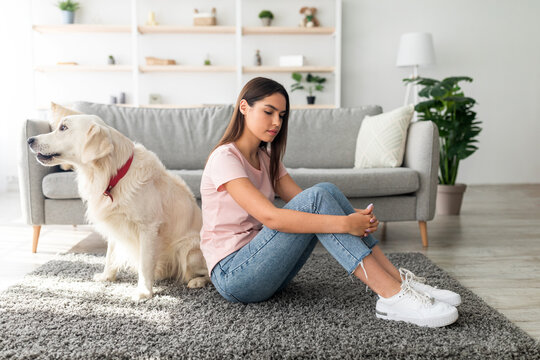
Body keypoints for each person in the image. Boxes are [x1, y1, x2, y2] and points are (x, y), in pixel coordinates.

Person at [200, 77, 461, 328]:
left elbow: (306, 201)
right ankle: (391, 296)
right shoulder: (226, 157)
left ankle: (399, 283)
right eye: (269, 112)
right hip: (234, 275)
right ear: (244, 107)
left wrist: (350, 217)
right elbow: (272, 217)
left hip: (264, 267)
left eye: (281, 115)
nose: (276, 122)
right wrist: (344, 224)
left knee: (325, 191)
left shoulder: (267, 158)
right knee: (319, 199)